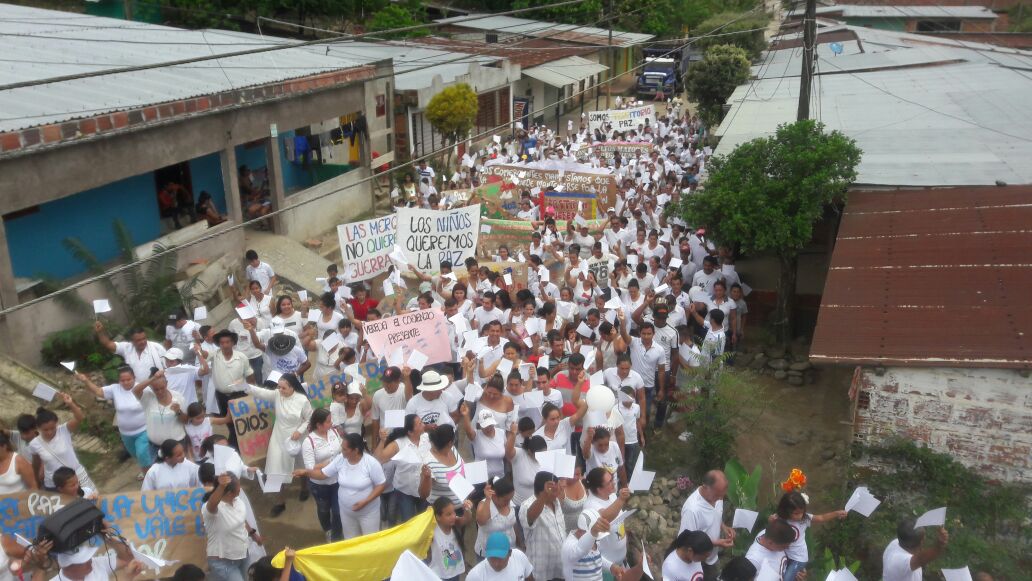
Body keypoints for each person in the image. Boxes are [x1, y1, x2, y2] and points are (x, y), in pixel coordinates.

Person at [241, 374, 313, 517]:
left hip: (296, 439)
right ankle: (280, 502)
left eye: (283, 387)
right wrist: (243, 385)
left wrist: (300, 431)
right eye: (278, 387)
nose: (280, 390)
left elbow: (309, 418)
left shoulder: (302, 400)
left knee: (300, 465)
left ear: (292, 387)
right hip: (279, 437)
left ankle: (304, 488)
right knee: (275, 470)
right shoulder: (277, 395)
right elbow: (259, 392)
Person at [295, 433, 385, 539]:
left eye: (345, 449)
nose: (342, 452)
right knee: (350, 540)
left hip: (368, 513)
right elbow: (323, 474)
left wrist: (365, 502)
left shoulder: (371, 463)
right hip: (346, 512)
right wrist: (305, 472)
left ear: (355, 450)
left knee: (370, 540)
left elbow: (381, 485)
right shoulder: (340, 459)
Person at [75, 367, 152, 479]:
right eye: (122, 380)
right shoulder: (115, 389)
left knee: (142, 453)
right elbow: (98, 391)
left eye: (128, 379)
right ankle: (148, 469)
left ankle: (150, 477)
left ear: (134, 378)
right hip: (126, 433)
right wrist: (85, 381)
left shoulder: (142, 388)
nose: (125, 382)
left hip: (143, 430)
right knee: (137, 455)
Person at [775, 492, 847, 581]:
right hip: (785, 555)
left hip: (798, 558)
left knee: (786, 579)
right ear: (786, 511)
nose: (800, 516)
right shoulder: (781, 519)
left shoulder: (805, 519)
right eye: (796, 513)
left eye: (802, 512)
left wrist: (836, 513)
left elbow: (822, 518)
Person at [204, 473, 263, 581]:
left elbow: (241, 521)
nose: (240, 488)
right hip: (223, 561)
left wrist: (253, 535)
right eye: (238, 486)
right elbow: (211, 506)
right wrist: (221, 486)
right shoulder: (212, 509)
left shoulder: (238, 501)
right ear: (230, 492)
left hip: (243, 555)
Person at [374, 414, 429, 525]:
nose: (423, 425)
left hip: (424, 488)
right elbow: (379, 459)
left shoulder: (426, 438)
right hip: (405, 491)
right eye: (419, 424)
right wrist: (382, 441)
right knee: (408, 522)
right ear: (410, 432)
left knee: (424, 521)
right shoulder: (398, 443)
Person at [29, 398, 94, 492]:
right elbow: (36, 464)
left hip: (76, 476)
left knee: (92, 499)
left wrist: (70, 403)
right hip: (54, 484)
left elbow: (80, 417)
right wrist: (37, 479)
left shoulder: (63, 430)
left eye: (52, 428)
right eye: (45, 430)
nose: (50, 432)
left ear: (56, 424)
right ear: (38, 428)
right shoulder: (34, 444)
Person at [680, 470, 735, 579]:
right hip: (697, 560)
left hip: (712, 557)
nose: (720, 499)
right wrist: (717, 543)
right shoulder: (692, 510)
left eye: (722, 496)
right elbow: (686, 541)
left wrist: (724, 527)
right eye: (717, 496)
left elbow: (715, 515)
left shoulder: (717, 495)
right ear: (705, 487)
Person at [301, 408, 343, 542]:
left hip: (337, 480)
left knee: (337, 511)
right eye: (328, 421)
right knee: (324, 509)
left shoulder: (334, 432)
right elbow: (309, 468)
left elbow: (343, 450)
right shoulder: (309, 442)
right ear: (319, 425)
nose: (331, 423)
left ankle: (336, 535)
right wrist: (331, 462)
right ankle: (328, 530)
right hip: (320, 485)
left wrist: (326, 463)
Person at [209, 330, 254, 448]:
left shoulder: (241, 357)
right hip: (222, 396)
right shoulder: (214, 355)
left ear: (233, 343)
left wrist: (252, 393)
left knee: (242, 422)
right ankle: (236, 445)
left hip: (239, 395)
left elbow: (249, 375)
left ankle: (238, 446)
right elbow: (203, 354)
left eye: (227, 342)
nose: (225, 345)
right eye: (222, 342)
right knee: (228, 422)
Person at [132, 368, 188, 459]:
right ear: (150, 387)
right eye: (156, 389)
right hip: (155, 447)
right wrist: (153, 378)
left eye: (162, 388)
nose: (160, 392)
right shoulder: (148, 397)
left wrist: (178, 412)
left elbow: (186, 421)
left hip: (177, 445)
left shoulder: (178, 397)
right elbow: (135, 390)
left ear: (167, 384)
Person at [521, 471, 566, 580]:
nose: (559, 492)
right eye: (555, 489)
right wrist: (543, 497)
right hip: (541, 571)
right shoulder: (526, 505)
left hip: (561, 567)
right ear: (544, 490)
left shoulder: (556, 502)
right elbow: (530, 517)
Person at [560, 509, 622, 581]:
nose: (596, 538)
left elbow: (595, 556)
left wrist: (611, 566)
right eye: (595, 535)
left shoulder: (593, 540)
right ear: (581, 530)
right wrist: (593, 532)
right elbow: (580, 550)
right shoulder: (569, 545)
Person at [94, 321, 166, 381]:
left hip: (157, 390)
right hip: (136, 392)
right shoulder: (127, 348)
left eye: (144, 338)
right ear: (132, 341)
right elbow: (108, 344)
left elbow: (168, 368)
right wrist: (100, 332)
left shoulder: (157, 348)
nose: (142, 342)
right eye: (138, 340)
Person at [882, 518, 949, 581]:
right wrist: (940, 544)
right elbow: (921, 559)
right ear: (922, 541)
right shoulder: (902, 561)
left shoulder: (895, 543)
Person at [474, 477, 519, 562]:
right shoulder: (484, 504)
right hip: (488, 554)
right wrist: (488, 499)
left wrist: (519, 541)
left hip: (509, 550)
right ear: (494, 496)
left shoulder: (509, 503)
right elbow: (481, 521)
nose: (508, 503)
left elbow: (513, 524)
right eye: (505, 500)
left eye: (510, 499)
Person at [430, 496, 472, 580]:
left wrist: (467, 509)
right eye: (448, 514)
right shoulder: (432, 531)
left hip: (455, 572)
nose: (453, 516)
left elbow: (466, 519)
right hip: (440, 575)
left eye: (454, 512)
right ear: (438, 517)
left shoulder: (454, 523)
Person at [466, 531, 535, 581]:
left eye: (500, 558)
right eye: (492, 558)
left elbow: (529, 578)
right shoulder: (475, 576)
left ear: (510, 553)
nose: (496, 564)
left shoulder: (519, 557)